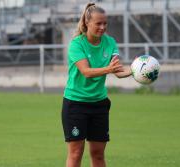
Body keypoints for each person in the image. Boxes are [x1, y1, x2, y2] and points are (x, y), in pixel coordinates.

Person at [61, 2, 132, 167]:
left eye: (105, 23)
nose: (102, 27)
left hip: (99, 104)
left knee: (98, 154)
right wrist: (109, 69)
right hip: (75, 104)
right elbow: (86, 71)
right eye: (98, 23)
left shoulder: (110, 42)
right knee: (76, 153)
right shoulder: (77, 44)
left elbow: (117, 71)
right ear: (87, 23)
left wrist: (136, 71)